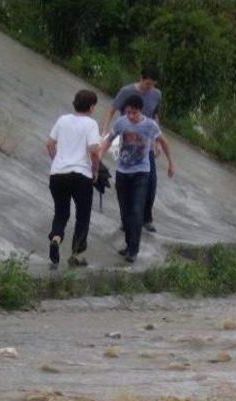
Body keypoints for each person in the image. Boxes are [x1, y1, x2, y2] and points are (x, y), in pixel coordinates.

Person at [100, 95, 175, 263]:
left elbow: (163, 142)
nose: (131, 116)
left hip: (141, 172)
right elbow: (108, 141)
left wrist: (171, 163)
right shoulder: (121, 123)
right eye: (128, 113)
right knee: (125, 212)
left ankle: (133, 251)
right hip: (122, 172)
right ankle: (128, 245)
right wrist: (99, 157)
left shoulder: (150, 125)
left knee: (136, 210)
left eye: (134, 113)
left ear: (140, 111)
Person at [101, 67, 171, 233]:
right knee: (125, 183)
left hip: (146, 141)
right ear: (141, 78)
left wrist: (158, 142)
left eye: (153, 85)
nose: (149, 88)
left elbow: (155, 115)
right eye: (147, 84)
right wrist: (104, 130)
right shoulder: (127, 91)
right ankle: (126, 218)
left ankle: (146, 218)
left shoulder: (157, 94)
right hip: (129, 140)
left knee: (151, 180)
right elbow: (112, 109)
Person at [45, 89, 100, 267]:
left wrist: (57, 161)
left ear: (74, 103)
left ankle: (56, 238)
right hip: (80, 176)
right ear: (92, 107)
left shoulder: (62, 120)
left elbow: (50, 144)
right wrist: (95, 170)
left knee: (61, 212)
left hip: (58, 174)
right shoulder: (91, 124)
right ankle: (75, 254)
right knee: (82, 215)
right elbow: (94, 151)